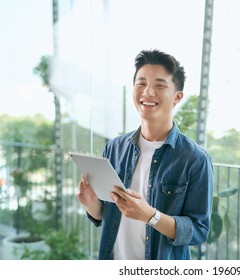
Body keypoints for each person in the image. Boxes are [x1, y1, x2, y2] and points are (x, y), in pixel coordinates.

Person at [77, 49, 214, 260]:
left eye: (159, 85)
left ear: (177, 97)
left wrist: (151, 216)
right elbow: (108, 215)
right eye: (141, 83)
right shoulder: (114, 148)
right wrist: (91, 204)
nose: (148, 92)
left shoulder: (195, 159)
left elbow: (198, 230)